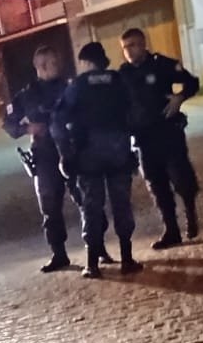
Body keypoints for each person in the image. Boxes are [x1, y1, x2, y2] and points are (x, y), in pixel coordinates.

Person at [53, 42, 142, 279]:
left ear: (85, 62)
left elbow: (58, 122)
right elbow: (134, 112)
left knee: (91, 207)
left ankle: (92, 264)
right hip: (118, 152)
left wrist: (65, 153)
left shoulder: (78, 86)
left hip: (88, 155)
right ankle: (127, 259)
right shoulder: (119, 81)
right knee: (122, 204)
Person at [118, 27, 201, 249]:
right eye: (125, 47)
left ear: (143, 44)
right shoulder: (123, 74)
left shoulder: (161, 64)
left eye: (133, 45)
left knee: (181, 179)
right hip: (144, 138)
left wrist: (179, 98)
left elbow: (192, 82)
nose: (129, 51)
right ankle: (171, 230)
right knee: (156, 184)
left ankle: (190, 213)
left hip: (168, 132)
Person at [4, 44, 80, 273]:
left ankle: (97, 248)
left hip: (72, 150)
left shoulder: (70, 88)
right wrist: (28, 129)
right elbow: (8, 124)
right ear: (42, 66)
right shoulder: (26, 95)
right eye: (54, 63)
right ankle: (59, 254)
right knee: (49, 206)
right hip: (45, 154)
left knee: (87, 199)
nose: (59, 66)